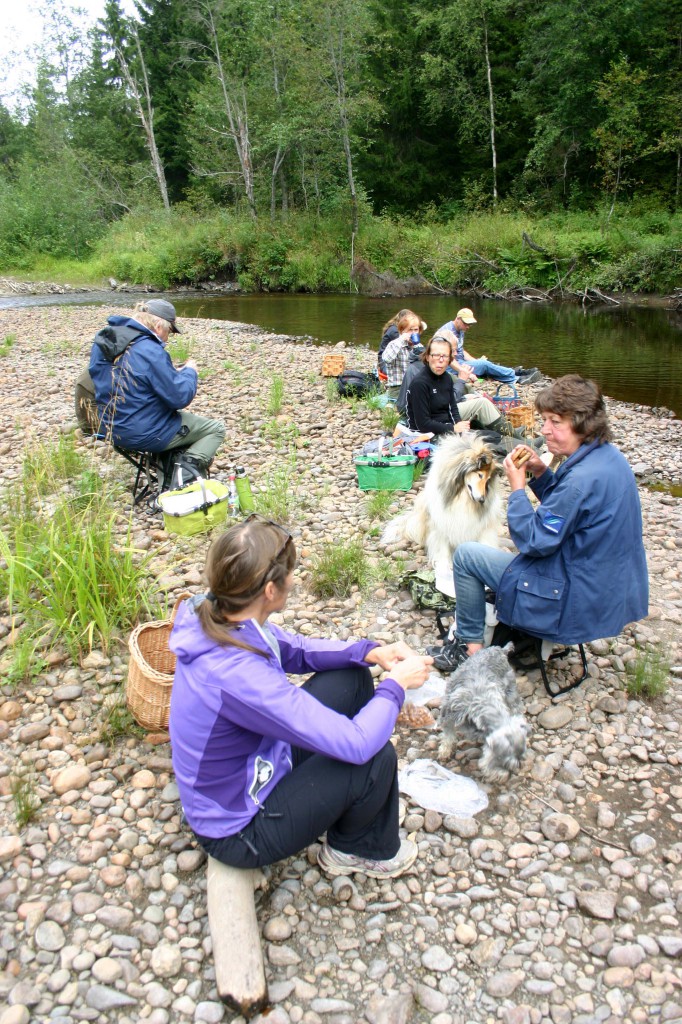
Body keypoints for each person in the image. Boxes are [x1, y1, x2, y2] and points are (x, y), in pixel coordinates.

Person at [168, 515, 433, 878]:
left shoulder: (217, 611)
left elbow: (296, 649)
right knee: (374, 757)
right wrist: (396, 685)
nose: (295, 578)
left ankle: (347, 802)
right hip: (238, 828)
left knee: (353, 677)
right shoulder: (236, 676)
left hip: (257, 762)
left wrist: (370, 651)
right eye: (290, 573)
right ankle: (356, 849)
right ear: (270, 592)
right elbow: (356, 744)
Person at [429, 375, 649, 672]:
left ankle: (470, 653)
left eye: (555, 422)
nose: (544, 430)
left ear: (584, 423)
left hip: (571, 598)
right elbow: (571, 513)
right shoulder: (608, 459)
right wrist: (541, 472)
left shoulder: (581, 480)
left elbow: (532, 541)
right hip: (601, 591)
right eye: (544, 420)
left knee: (467, 556)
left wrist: (518, 488)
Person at [88, 299, 225, 477]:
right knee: (215, 429)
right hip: (146, 433)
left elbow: (120, 379)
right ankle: (182, 476)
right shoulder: (150, 350)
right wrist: (190, 372)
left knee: (173, 422)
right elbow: (180, 397)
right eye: (169, 331)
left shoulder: (105, 340)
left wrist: (169, 374)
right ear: (159, 326)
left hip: (112, 429)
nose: (168, 338)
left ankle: (166, 471)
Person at [397, 331, 534, 440]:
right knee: (484, 440)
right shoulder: (420, 382)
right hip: (429, 433)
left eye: (444, 356)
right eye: (436, 355)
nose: (440, 360)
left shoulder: (445, 377)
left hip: (443, 420)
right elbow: (423, 423)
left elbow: (452, 407)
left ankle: (521, 442)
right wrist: (453, 428)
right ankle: (518, 443)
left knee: (489, 435)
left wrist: (459, 425)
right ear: (427, 357)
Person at [437, 308, 541, 386]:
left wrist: (475, 360)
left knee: (483, 364)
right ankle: (516, 377)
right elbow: (447, 359)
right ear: (458, 319)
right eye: (466, 323)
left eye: (470, 324)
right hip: (449, 367)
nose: (468, 326)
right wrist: (462, 371)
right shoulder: (447, 332)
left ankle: (515, 373)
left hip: (459, 363)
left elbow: (461, 351)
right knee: (485, 365)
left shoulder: (460, 329)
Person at [380, 311, 425, 399]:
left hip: (414, 386)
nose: (413, 333)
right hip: (398, 388)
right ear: (402, 331)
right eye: (410, 330)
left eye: (415, 330)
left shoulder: (419, 346)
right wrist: (401, 339)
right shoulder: (395, 344)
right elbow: (386, 359)